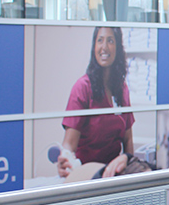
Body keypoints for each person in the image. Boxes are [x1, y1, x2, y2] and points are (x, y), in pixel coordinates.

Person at [58, 26, 135, 179]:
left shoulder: (122, 90)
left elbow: (128, 140)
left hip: (112, 176)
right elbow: (69, 145)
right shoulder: (82, 88)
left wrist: (129, 167)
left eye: (110, 41)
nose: (104, 47)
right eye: (100, 40)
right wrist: (65, 161)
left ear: (118, 48)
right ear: (94, 46)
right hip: (86, 176)